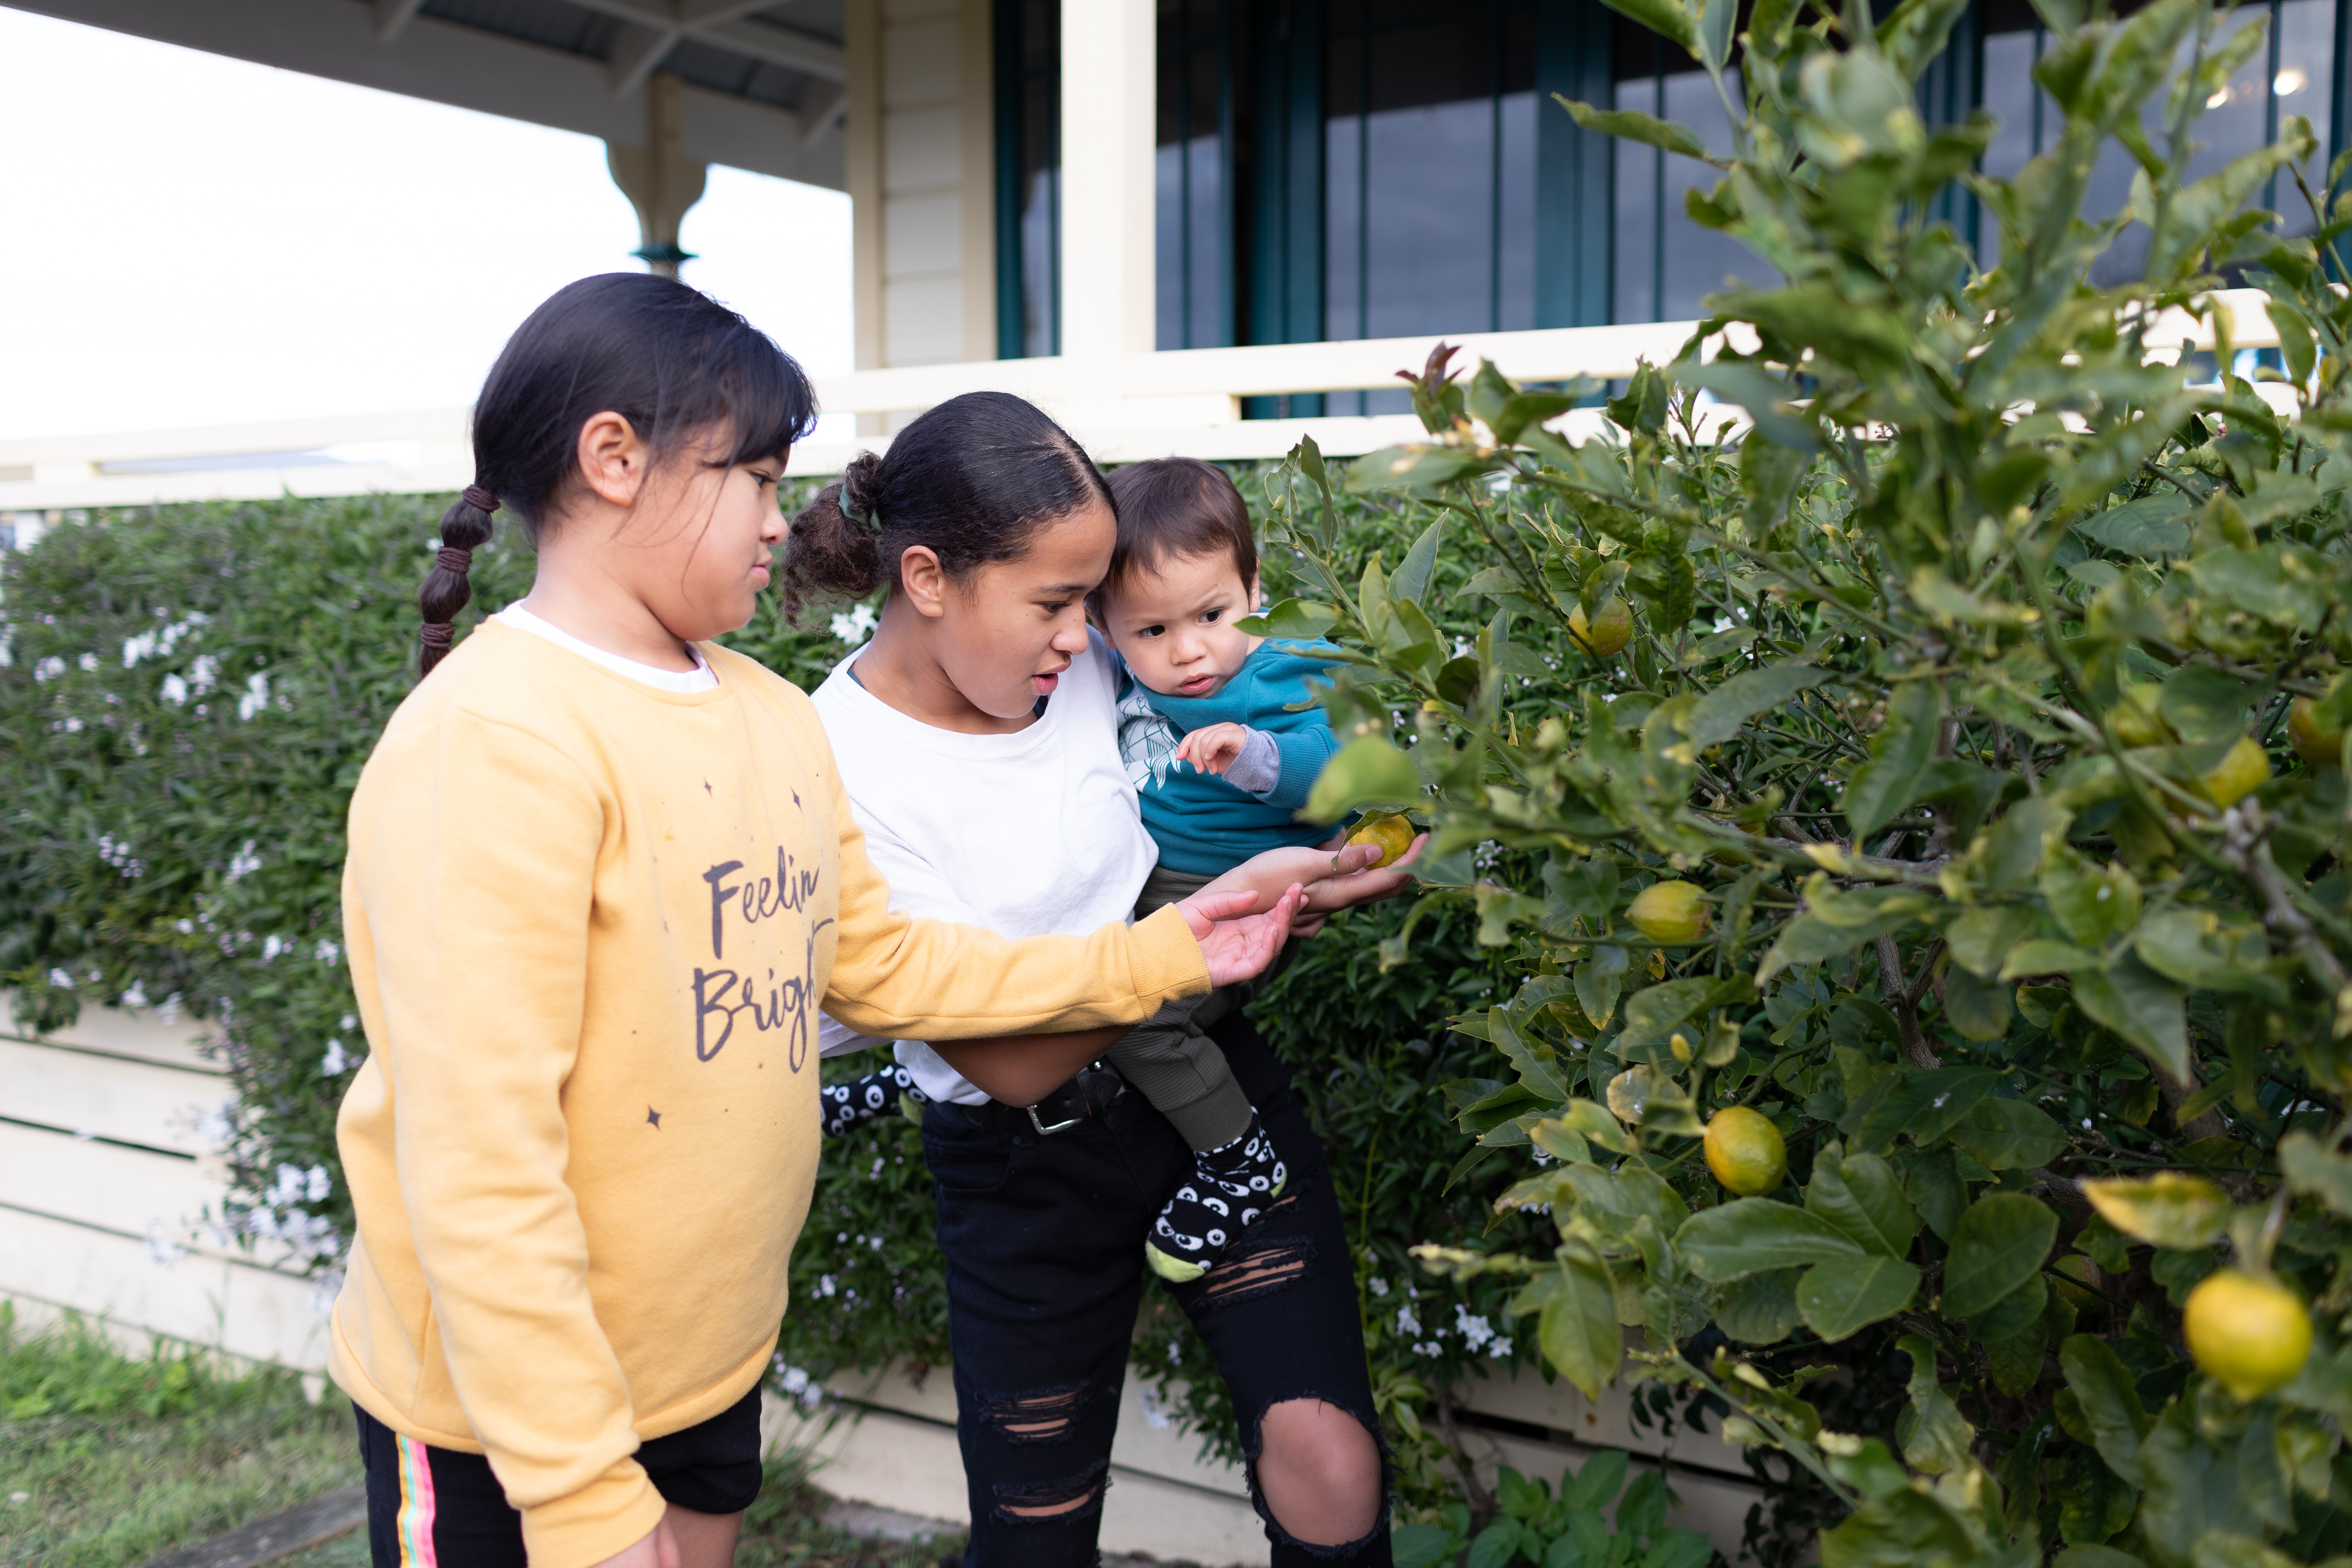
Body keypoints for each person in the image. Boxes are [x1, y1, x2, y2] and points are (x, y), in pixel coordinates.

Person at [330, 275, 1303, 1568]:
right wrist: (574, 1495)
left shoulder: (768, 715)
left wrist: (1173, 949)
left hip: (701, 1366)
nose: (784, 523)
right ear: (615, 459)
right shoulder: (492, 745)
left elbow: (883, 964)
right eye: (756, 478)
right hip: (505, 1424)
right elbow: (476, 1160)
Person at [793, 392, 1404, 1566]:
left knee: (1333, 1464)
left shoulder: (1086, 665)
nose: (1092, 637)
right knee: (1036, 1533)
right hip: (1022, 1166)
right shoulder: (840, 769)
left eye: (1095, 602)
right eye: (1059, 603)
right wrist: (1212, 931)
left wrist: (1332, 862)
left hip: (1213, 1096)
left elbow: (1284, 743)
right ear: (927, 580)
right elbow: (1012, 1059)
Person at [820, 456, 1362, 1284]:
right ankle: (910, 1077)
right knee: (1039, 963)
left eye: (1213, 613)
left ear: (1255, 588)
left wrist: (1266, 779)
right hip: (1079, 1007)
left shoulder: (1268, 669)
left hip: (1210, 900)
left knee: (1146, 1013)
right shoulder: (1101, 662)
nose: (1189, 650)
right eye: (1145, 629)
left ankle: (1240, 1156)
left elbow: (1340, 760)